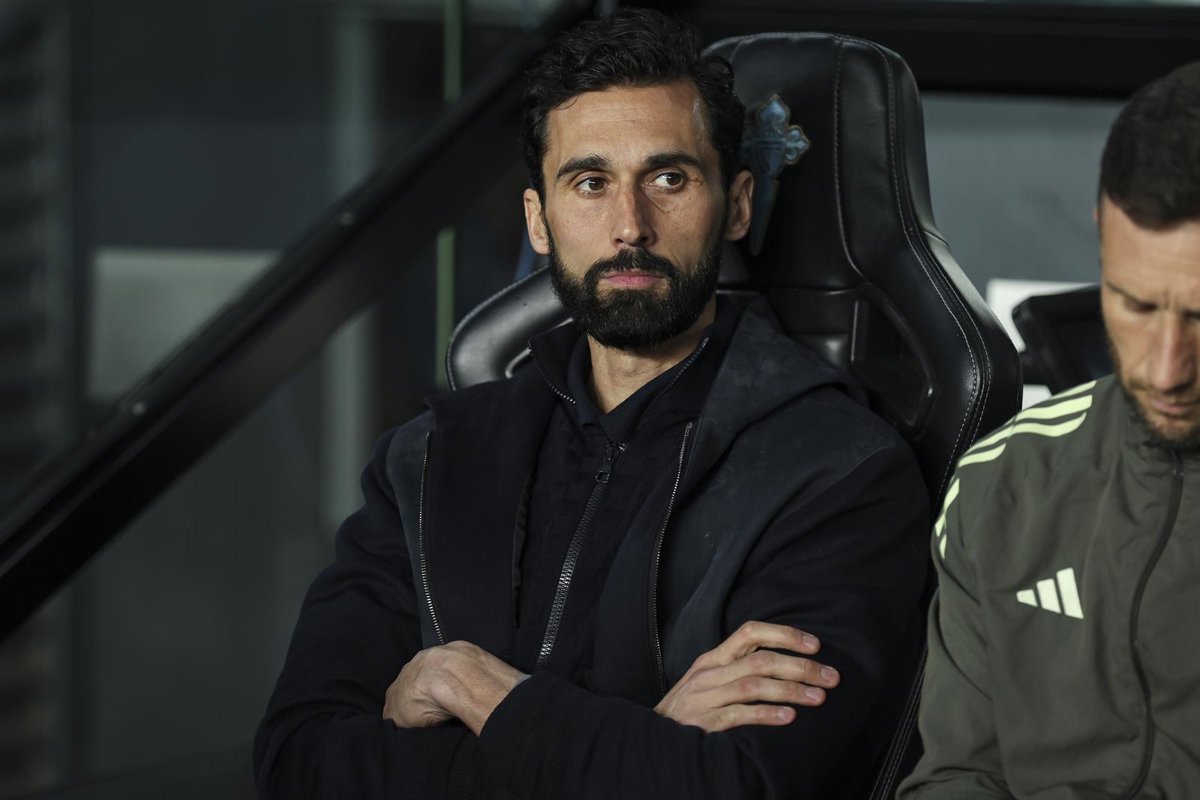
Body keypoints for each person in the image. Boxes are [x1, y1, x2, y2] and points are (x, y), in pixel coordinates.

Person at [255, 9, 929, 799]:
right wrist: (643, 737)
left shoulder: (838, 474)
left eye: (669, 179)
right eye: (590, 183)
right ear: (539, 220)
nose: (629, 226)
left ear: (737, 205)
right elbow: (300, 761)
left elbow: (736, 788)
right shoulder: (431, 462)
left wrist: (477, 692)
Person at [899, 61, 1200, 798]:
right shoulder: (1005, 482)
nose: (1166, 369)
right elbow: (957, 775)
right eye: (1134, 304)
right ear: (1102, 234)